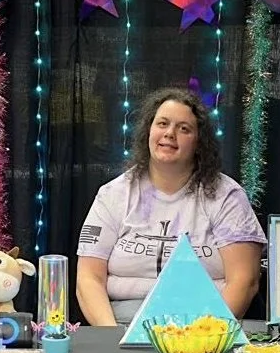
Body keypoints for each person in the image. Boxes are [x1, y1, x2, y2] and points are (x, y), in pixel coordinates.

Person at [76, 86, 265, 325]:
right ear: (149, 131)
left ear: (199, 142)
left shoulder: (227, 197)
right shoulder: (113, 194)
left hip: (203, 325)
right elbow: (88, 278)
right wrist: (113, 338)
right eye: (162, 124)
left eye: (183, 128)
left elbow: (244, 281)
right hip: (121, 323)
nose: (170, 134)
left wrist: (206, 339)